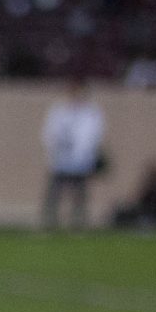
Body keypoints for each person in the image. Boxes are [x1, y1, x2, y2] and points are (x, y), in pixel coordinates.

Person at [42, 79, 105, 229]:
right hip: (60, 157)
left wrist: (85, 152)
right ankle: (50, 221)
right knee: (55, 192)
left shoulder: (91, 113)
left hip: (80, 159)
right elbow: (49, 132)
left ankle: (78, 222)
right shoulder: (59, 111)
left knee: (80, 194)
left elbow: (94, 135)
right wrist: (56, 147)